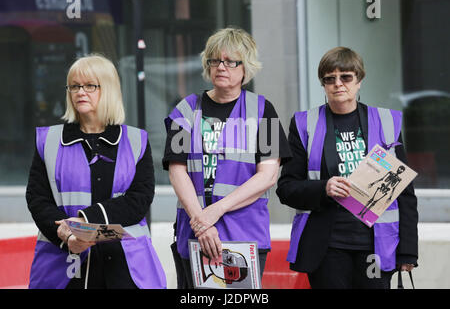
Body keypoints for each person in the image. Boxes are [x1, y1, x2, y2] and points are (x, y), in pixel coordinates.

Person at [276, 47, 418, 289]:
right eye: (329, 79)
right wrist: (324, 188)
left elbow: (404, 193)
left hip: (377, 245)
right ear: (323, 84)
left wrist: (408, 252)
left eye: (346, 77)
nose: (338, 84)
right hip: (326, 246)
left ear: (359, 80)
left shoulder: (386, 122)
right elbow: (286, 188)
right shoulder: (304, 123)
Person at [163, 27, 291, 288]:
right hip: (195, 233)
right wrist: (202, 223)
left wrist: (216, 211)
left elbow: (267, 175)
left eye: (231, 61)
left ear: (246, 67)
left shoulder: (262, 109)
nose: (221, 67)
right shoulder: (185, 110)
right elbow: (177, 171)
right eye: (215, 60)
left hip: (244, 234)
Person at [26, 54, 166, 289]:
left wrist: (84, 222)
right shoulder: (48, 140)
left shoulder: (135, 140)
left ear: (109, 89)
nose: (80, 92)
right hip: (65, 266)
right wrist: (69, 236)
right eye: (74, 86)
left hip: (126, 265)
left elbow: (139, 199)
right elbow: (37, 199)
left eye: (90, 85)